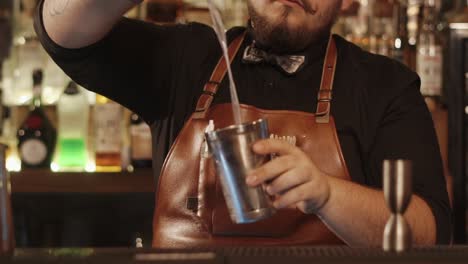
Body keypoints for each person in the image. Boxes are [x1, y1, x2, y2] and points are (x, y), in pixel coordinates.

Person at [34, 0, 451, 247]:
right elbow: (61, 30)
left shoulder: (384, 86)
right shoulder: (188, 57)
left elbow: (429, 230)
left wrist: (327, 195)